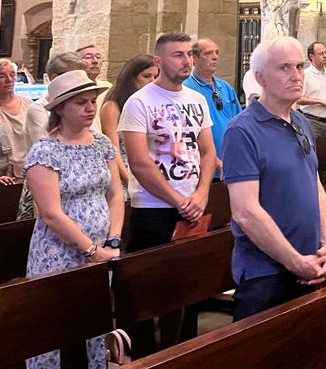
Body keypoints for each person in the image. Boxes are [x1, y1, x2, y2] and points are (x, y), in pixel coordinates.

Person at [222, 36, 326, 320]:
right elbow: (246, 212)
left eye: (299, 66)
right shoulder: (242, 131)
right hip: (266, 272)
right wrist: (295, 261)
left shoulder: (300, 122)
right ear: (260, 77)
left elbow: (315, 185)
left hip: (310, 261)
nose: (296, 75)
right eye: (284, 68)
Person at [24, 69, 123, 369]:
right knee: (50, 326)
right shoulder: (45, 151)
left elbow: (116, 194)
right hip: (57, 252)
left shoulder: (101, 143)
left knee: (94, 321)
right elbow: (52, 214)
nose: (90, 108)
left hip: (102, 248)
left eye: (92, 101)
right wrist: (91, 250)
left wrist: (113, 239)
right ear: (59, 109)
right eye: (80, 102)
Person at [118, 33, 216, 250]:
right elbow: (139, 163)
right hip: (153, 205)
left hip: (193, 202)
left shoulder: (197, 99)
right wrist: (178, 201)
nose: (187, 61)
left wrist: (201, 193)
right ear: (158, 62)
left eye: (189, 54)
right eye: (178, 55)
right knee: (151, 275)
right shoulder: (139, 102)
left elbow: (208, 152)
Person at [19, 52, 90, 220]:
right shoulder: (38, 109)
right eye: (74, 76)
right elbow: (52, 151)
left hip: (82, 185)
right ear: (54, 78)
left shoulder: (86, 109)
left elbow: (92, 138)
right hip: (51, 184)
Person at [183, 38, 242, 174]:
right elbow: (187, 132)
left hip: (231, 164)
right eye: (208, 53)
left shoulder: (225, 87)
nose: (215, 57)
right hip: (203, 168)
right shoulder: (186, 89)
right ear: (194, 58)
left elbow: (239, 121)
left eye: (217, 52)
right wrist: (213, 159)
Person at [99, 54, 158, 189]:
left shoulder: (154, 105)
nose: (152, 81)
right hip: (127, 176)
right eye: (147, 76)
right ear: (132, 78)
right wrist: (130, 183)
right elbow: (114, 152)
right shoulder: (113, 107)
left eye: (156, 77)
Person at [0, 58, 31, 185]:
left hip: (30, 177)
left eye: (12, 75)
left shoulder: (29, 105)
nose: (9, 80)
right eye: (2, 76)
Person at [298, 42, 326, 140]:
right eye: (321, 54)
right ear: (311, 56)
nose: (325, 56)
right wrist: (320, 102)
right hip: (312, 122)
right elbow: (298, 99)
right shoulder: (305, 74)